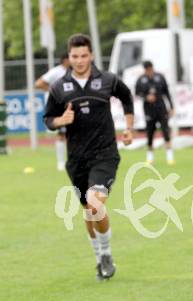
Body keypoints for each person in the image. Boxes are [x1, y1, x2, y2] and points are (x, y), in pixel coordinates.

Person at [44, 34, 134, 281]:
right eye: (75, 56)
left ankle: (106, 254)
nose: (80, 60)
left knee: (96, 202)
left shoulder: (107, 80)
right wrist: (60, 121)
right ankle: (99, 260)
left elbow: (127, 98)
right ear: (69, 57)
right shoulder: (59, 87)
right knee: (88, 210)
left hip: (105, 154)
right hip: (77, 160)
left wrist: (128, 127)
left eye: (84, 55)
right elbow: (48, 118)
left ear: (92, 55)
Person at [135, 61, 175, 165]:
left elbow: (167, 93)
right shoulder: (141, 79)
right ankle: (150, 158)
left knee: (166, 131)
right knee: (150, 133)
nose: (149, 71)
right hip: (148, 109)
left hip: (161, 107)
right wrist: (146, 97)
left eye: (150, 69)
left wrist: (171, 106)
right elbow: (137, 93)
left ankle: (170, 157)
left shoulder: (160, 77)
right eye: (146, 69)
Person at [35, 53, 70, 171]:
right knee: (61, 134)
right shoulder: (56, 72)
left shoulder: (75, 71)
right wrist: (54, 92)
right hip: (58, 107)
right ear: (65, 60)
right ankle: (61, 162)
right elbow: (39, 83)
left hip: (71, 105)